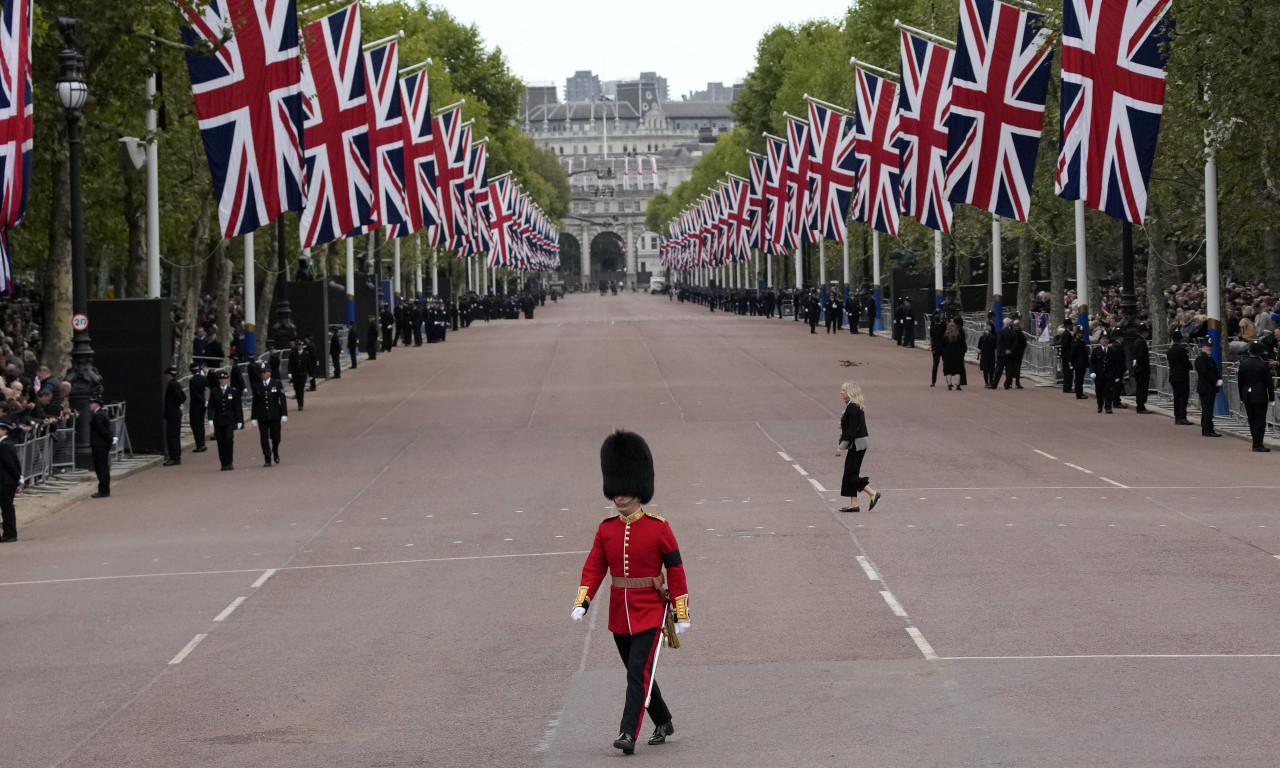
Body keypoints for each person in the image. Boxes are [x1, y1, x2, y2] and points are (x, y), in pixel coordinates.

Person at [571, 431, 690, 755]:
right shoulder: (606, 529)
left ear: (638, 491)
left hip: (651, 611)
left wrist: (681, 612)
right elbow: (594, 569)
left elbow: (676, 570)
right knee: (639, 672)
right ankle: (663, 719)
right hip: (619, 616)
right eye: (616, 492)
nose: (619, 498)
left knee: (637, 672)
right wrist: (583, 601)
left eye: (625, 492)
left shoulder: (659, 527)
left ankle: (627, 733)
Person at [835, 381, 882, 512]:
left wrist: (841, 446)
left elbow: (852, 430)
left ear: (850, 392)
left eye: (843, 390)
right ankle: (854, 503)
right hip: (859, 443)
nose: (841, 392)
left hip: (857, 444)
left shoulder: (852, 407)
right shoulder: (853, 406)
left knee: (849, 475)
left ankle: (872, 493)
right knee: (851, 472)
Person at [1237, 342, 1274, 451]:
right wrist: (1271, 398)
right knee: (1260, 421)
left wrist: (1241, 397)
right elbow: (1269, 383)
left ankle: (1255, 441)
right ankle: (1258, 444)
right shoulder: (1263, 364)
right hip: (1260, 395)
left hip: (1247, 396)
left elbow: (1240, 382)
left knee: (1252, 420)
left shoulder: (1243, 364)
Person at [251, 363, 288, 467]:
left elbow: (282, 398)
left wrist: (284, 413)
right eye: (261, 372)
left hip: (275, 414)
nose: (262, 374)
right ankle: (267, 458)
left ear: (269, 373)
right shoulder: (257, 385)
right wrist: (253, 417)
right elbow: (255, 402)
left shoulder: (276, 383)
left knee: (276, 437)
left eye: (264, 372)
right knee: (264, 438)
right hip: (262, 415)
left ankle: (275, 450)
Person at [207, 369, 242, 471]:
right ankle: (223, 463)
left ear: (227, 380)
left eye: (224, 379)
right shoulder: (214, 391)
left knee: (228, 439)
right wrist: (210, 418)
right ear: (218, 380)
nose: (223, 380)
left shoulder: (232, 391)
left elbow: (237, 406)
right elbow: (211, 406)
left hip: (229, 420)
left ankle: (229, 462)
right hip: (218, 420)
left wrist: (239, 420)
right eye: (221, 379)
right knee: (220, 442)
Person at [1193, 338, 1223, 437]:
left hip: (1210, 388)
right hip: (1205, 388)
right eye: (1207, 346)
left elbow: (1214, 370)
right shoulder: (1200, 359)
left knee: (1209, 409)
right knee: (1207, 409)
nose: (1209, 348)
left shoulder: (1209, 358)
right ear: (1203, 347)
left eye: (1210, 346)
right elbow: (1205, 372)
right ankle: (1207, 429)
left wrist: (1218, 379)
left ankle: (1209, 428)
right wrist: (1215, 380)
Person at [89, 397, 114, 497]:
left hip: (99, 445)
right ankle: (104, 489)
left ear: (97, 404)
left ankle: (103, 490)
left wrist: (109, 439)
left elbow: (101, 429)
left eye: (91, 403)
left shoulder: (98, 415)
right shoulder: (101, 413)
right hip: (102, 444)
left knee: (101, 467)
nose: (89, 405)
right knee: (103, 466)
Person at [1167, 330, 1193, 424]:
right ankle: (1182, 416)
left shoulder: (1170, 351)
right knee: (1183, 397)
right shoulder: (1181, 350)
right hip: (1182, 376)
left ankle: (1177, 416)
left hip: (1173, 376)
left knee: (1176, 397)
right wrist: (1190, 366)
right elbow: (1186, 363)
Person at [0, 420, 21, 541]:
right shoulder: (7, 444)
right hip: (7, 481)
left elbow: (10, 464)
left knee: (7, 509)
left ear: (4, 431)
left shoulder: (4, 445)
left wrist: (17, 476)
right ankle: (9, 533)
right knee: (7, 508)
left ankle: (10, 534)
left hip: (5, 481)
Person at [162, 366, 186, 466]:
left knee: (172, 436)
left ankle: (174, 457)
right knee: (175, 435)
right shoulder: (176, 384)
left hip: (173, 414)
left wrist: (175, 405)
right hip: (175, 413)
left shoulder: (172, 385)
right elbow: (183, 397)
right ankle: (176, 456)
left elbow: (180, 397)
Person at [1089, 332, 1117, 414]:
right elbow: (1092, 362)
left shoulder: (1112, 351)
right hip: (1099, 374)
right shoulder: (1096, 350)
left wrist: (1114, 374)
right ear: (1100, 341)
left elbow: (1115, 363)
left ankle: (1108, 407)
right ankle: (1100, 405)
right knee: (1099, 392)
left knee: (1108, 391)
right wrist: (1092, 372)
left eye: (1106, 339)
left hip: (1108, 375)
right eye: (1103, 339)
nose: (1105, 341)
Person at [941, 320, 968, 391]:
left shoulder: (945, 336)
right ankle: (958, 385)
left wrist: (944, 354)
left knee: (948, 370)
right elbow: (964, 346)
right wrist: (962, 353)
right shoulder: (959, 336)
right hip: (958, 355)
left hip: (948, 356)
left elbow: (942, 346)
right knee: (958, 371)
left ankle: (949, 385)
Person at [1132, 324, 1152, 414]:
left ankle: (1140, 405)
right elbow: (1140, 356)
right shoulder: (1141, 342)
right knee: (1142, 388)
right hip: (1142, 369)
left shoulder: (1137, 341)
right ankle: (1141, 406)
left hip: (1139, 368)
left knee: (1140, 387)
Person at [189, 362, 209, 453]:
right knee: (201, 424)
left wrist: (201, 400)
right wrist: (204, 400)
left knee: (195, 424)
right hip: (203, 404)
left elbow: (194, 394)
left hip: (196, 405)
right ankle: (203, 443)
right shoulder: (203, 379)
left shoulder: (192, 381)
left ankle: (199, 444)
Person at [287, 338, 310, 411]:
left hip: (303, 374)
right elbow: (290, 364)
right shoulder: (293, 354)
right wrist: (289, 372)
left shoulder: (306, 354)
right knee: (296, 388)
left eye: (301, 345)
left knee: (301, 388)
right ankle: (298, 402)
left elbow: (308, 365)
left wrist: (311, 375)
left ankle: (301, 404)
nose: (300, 347)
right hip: (295, 373)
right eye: (299, 345)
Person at [1071, 326, 1090, 399]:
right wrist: (1072, 363)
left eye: (1082, 333)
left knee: (1080, 379)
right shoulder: (1075, 342)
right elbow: (1073, 354)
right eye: (1080, 333)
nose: (1081, 335)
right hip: (1078, 363)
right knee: (1079, 379)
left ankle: (1079, 392)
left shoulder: (1081, 342)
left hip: (1082, 363)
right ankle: (1079, 393)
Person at [1057, 323, 1075, 394]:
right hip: (1067, 356)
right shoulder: (1067, 334)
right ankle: (1068, 387)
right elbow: (1065, 345)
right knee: (1068, 372)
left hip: (1065, 356)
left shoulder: (1065, 334)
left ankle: (1066, 387)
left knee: (1067, 372)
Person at [929, 314, 946, 386]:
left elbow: (932, 335)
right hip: (943, 347)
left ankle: (933, 381)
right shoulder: (943, 327)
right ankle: (948, 380)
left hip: (935, 347)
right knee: (945, 364)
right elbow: (945, 328)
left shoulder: (932, 328)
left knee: (935, 365)